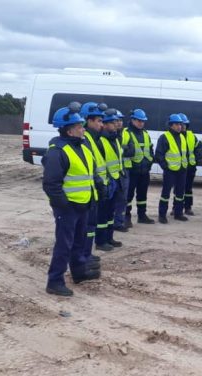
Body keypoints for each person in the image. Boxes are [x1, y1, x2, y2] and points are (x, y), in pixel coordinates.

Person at [42, 103, 101, 296]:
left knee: (79, 242)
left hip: (83, 204)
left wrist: (98, 186)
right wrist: (63, 205)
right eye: (79, 127)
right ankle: (55, 281)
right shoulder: (57, 151)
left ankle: (79, 272)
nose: (83, 129)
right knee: (64, 245)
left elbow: (90, 172)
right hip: (68, 208)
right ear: (69, 130)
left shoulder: (82, 146)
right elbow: (51, 184)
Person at [81, 102, 114, 253]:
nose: (102, 124)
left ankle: (89, 251)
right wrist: (99, 183)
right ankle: (87, 252)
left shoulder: (96, 138)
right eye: (99, 121)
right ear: (89, 121)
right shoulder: (86, 140)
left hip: (100, 185)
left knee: (96, 221)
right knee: (89, 224)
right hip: (92, 188)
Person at [97, 109, 124, 249]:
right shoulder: (101, 140)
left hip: (115, 179)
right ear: (106, 125)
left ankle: (109, 238)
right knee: (103, 213)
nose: (117, 124)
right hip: (106, 181)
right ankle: (101, 242)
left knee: (110, 213)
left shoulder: (115, 138)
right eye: (113, 122)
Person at [123, 108, 155, 224]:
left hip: (144, 170)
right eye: (139, 121)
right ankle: (126, 217)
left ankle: (142, 216)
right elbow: (121, 150)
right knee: (128, 196)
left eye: (143, 121)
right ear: (132, 120)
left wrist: (150, 161)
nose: (141, 123)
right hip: (131, 170)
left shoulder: (145, 133)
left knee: (142, 195)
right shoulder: (126, 133)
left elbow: (150, 149)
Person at [155, 114, 188, 223]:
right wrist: (166, 167)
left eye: (180, 124)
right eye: (176, 124)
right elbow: (159, 155)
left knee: (180, 194)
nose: (179, 126)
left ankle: (178, 213)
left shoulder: (182, 137)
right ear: (171, 125)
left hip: (182, 170)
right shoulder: (164, 137)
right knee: (166, 194)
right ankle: (162, 215)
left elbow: (185, 153)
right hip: (170, 171)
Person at [112, 109, 134, 232]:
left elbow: (132, 151)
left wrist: (121, 149)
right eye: (116, 120)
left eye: (120, 120)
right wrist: (123, 149)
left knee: (122, 198)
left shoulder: (126, 133)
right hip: (112, 172)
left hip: (124, 170)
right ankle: (112, 222)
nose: (119, 123)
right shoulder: (108, 135)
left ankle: (118, 222)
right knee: (111, 200)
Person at [180, 113, 197, 216]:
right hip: (179, 168)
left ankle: (188, 207)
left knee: (188, 189)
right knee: (178, 189)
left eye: (184, 125)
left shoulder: (192, 136)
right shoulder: (174, 136)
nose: (182, 127)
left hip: (190, 168)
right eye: (181, 124)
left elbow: (198, 149)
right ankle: (176, 207)